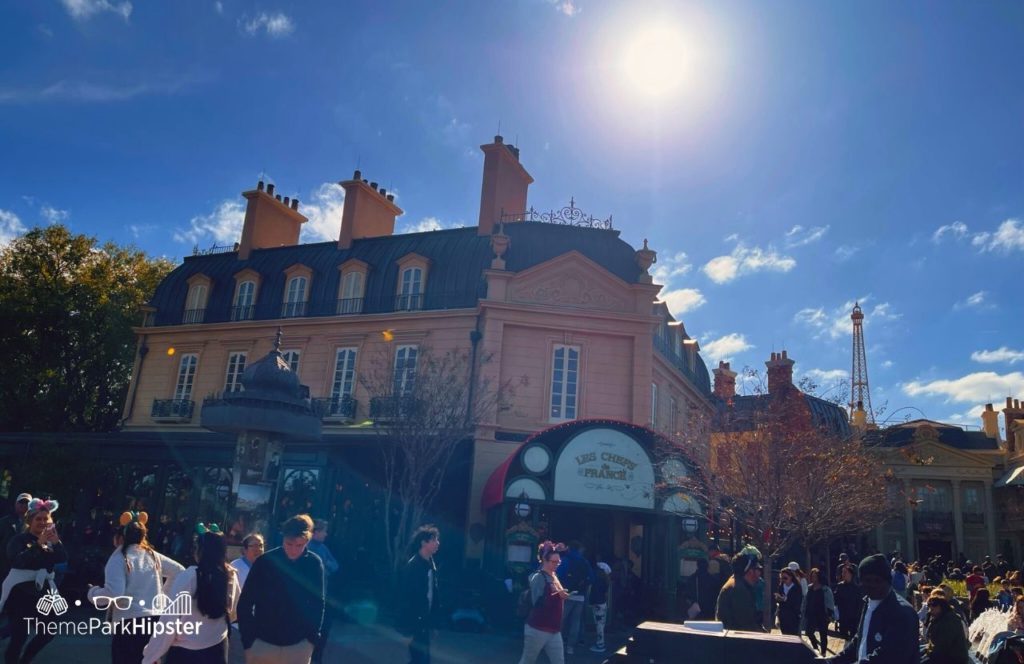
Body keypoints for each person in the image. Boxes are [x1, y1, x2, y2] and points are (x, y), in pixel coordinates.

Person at [87, 511, 185, 664]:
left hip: (129, 624)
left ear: (120, 537)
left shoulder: (119, 557)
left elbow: (114, 593)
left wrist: (92, 593)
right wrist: (162, 596)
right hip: (154, 621)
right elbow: (179, 571)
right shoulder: (152, 555)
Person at [142, 526, 240, 663]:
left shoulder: (189, 577)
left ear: (200, 551)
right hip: (218, 648)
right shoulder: (230, 575)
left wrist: (152, 655)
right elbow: (234, 611)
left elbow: (169, 622)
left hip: (185, 653)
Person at [237, 514, 324, 664]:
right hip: (262, 643)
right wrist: (249, 641)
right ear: (282, 538)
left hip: (299, 645)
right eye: (289, 544)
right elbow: (245, 602)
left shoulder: (314, 564)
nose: (293, 550)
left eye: (299, 545)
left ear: (307, 541)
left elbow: (318, 604)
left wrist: (311, 640)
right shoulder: (265, 561)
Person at [0, 498, 66, 664]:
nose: (42, 523)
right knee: (19, 638)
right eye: (38, 519)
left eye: (46, 519)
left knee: (48, 632)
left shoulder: (52, 542)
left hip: (43, 594)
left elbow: (62, 558)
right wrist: (38, 544)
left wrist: (56, 543)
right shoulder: (19, 540)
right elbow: (18, 561)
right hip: (21, 595)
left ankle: (26, 659)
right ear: (29, 521)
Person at [826, 553, 920, 664]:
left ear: (888, 581)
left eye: (877, 580)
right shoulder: (867, 602)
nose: (872, 585)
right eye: (867, 580)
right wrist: (832, 661)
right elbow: (860, 640)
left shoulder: (903, 613)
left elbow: (887, 657)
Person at [518, 541, 569, 664]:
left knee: (559, 661)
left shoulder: (554, 576)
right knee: (528, 660)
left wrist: (562, 595)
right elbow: (535, 601)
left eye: (558, 562)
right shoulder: (538, 577)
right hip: (537, 628)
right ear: (544, 561)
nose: (557, 564)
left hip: (554, 629)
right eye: (554, 562)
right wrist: (555, 595)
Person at [399, 525, 440, 664]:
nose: (437, 543)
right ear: (423, 542)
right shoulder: (414, 566)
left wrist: (433, 624)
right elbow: (406, 599)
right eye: (433, 540)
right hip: (416, 624)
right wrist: (407, 630)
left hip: (424, 623)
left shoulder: (430, 564)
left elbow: (432, 596)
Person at [228, 534, 263, 664]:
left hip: (259, 627)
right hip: (238, 626)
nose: (258, 549)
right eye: (253, 545)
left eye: (260, 545)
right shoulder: (235, 567)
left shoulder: (265, 566)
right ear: (244, 549)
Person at [556, 541, 592, 656]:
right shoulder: (584, 561)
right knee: (575, 622)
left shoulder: (566, 559)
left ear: (569, 548)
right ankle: (570, 647)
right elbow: (592, 578)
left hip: (566, 593)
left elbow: (557, 574)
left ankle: (558, 644)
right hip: (580, 595)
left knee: (561, 619)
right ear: (580, 549)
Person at [715, 553, 763, 632]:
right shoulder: (739, 590)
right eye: (758, 569)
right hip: (737, 641)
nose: (759, 573)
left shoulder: (737, 583)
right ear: (750, 571)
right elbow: (747, 626)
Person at [921, 589, 969, 664]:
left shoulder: (949, 620)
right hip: (942, 652)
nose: (931, 608)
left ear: (942, 606)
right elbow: (929, 637)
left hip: (953, 658)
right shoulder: (937, 618)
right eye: (929, 605)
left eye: (934, 605)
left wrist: (926, 655)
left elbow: (942, 646)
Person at [801, 568, 835, 656]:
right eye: (812, 576)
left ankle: (823, 652)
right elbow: (805, 600)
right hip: (811, 614)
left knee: (823, 634)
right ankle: (815, 648)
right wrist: (803, 610)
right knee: (809, 632)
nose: (813, 578)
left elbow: (830, 602)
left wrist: (830, 614)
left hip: (822, 614)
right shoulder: (809, 588)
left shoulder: (825, 589)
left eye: (815, 576)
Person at [834, 565, 862, 640]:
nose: (843, 574)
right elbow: (836, 601)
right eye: (842, 572)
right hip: (843, 617)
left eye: (845, 572)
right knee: (844, 636)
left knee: (853, 638)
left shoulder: (857, 588)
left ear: (851, 574)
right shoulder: (840, 586)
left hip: (854, 618)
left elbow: (860, 603)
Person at [588, 562, 610, 654]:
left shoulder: (598, 581)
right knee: (601, 624)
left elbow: (595, 594)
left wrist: (591, 602)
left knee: (599, 625)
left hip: (598, 604)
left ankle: (600, 644)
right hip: (603, 604)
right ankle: (600, 643)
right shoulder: (605, 580)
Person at [774, 567, 803, 635]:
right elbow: (780, 601)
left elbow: (797, 603)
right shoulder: (781, 586)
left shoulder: (797, 588)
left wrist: (785, 599)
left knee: (793, 636)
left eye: (785, 578)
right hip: (783, 616)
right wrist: (778, 599)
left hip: (793, 617)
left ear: (791, 577)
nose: (783, 580)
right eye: (781, 578)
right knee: (784, 635)